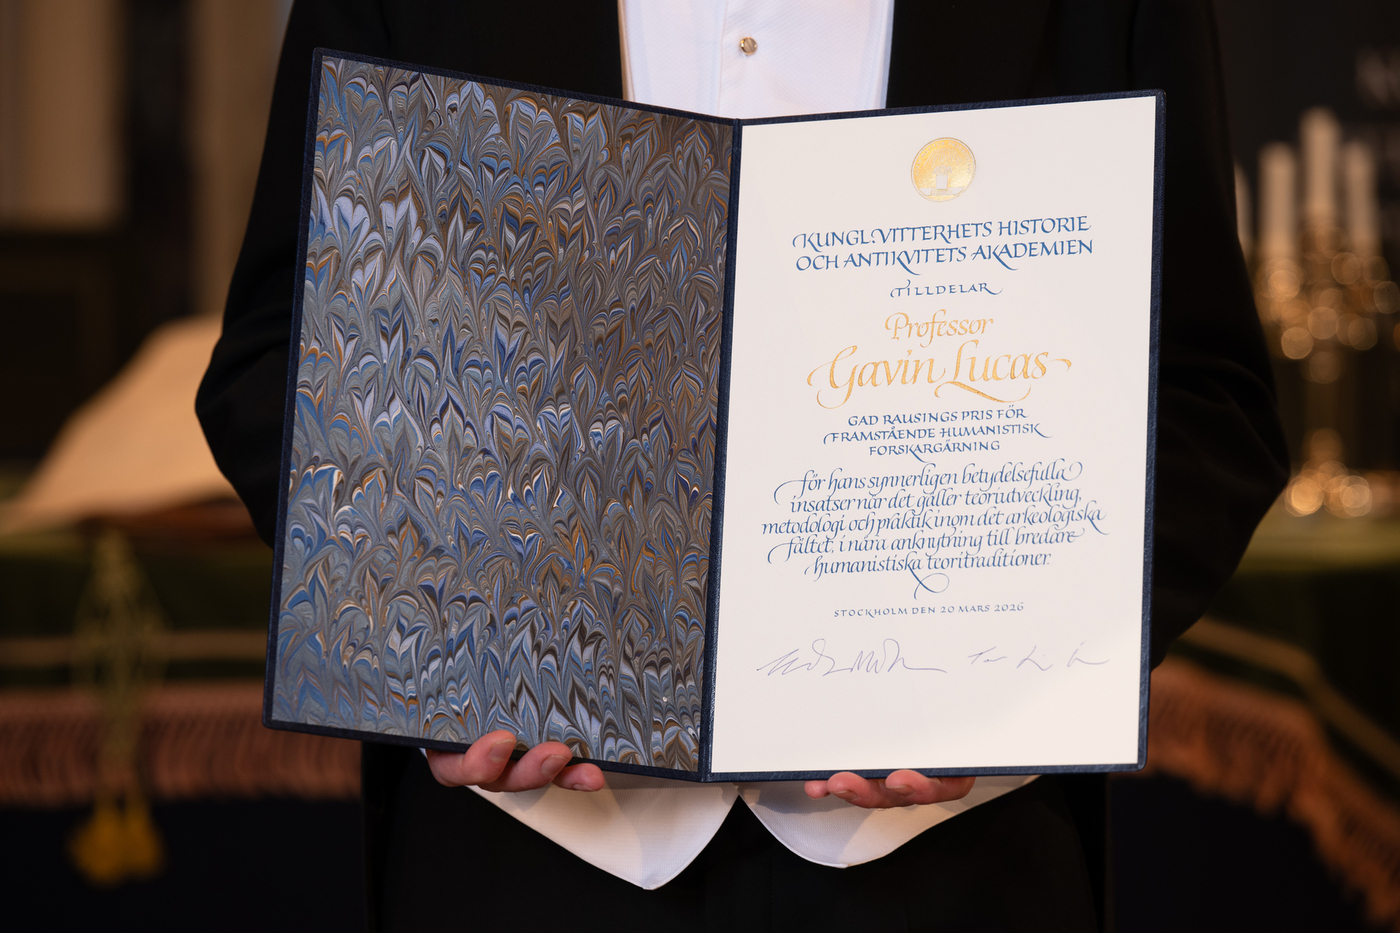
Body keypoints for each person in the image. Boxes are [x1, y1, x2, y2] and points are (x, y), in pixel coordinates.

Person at [197, 2, 1289, 930]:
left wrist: (1009, 670)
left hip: (953, 869)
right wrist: (435, 641)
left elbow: (1204, 399)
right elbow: (280, 362)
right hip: (523, 859)